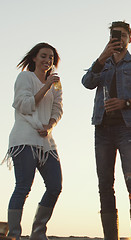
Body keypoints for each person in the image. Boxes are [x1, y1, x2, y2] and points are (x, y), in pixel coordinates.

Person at [81, 21, 131, 240]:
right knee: (105, 183)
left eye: (123, 35)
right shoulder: (102, 64)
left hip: (128, 129)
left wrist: (126, 103)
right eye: (115, 35)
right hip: (102, 129)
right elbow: (87, 82)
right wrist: (101, 58)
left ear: (130, 39)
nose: (119, 39)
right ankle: (110, 237)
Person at [2, 42, 63, 240]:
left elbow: (58, 108)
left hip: (46, 143)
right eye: (44, 56)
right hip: (24, 140)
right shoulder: (25, 77)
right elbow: (25, 105)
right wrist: (45, 86)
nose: (47, 60)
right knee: (23, 187)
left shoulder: (56, 83)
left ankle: (38, 233)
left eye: (51, 58)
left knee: (55, 186)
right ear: (34, 58)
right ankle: (14, 235)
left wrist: (50, 125)